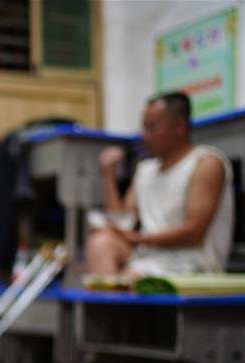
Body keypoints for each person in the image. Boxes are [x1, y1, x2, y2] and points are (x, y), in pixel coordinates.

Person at [86, 91, 234, 276]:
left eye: (152, 127)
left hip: (193, 262)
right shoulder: (146, 170)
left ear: (179, 127)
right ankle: (112, 300)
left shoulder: (206, 163)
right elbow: (123, 221)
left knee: (125, 282)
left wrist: (139, 239)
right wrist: (109, 175)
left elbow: (194, 233)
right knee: (100, 243)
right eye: (144, 127)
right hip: (150, 256)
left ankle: (114, 300)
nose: (144, 135)